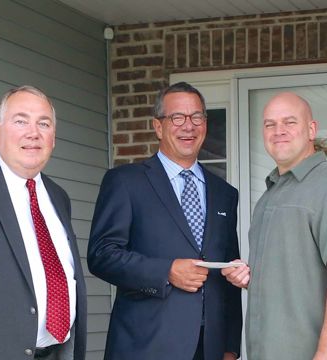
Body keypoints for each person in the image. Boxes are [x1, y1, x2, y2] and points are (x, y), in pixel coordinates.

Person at [88, 82, 241, 360]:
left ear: (205, 125)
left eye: (197, 117)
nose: (188, 126)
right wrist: (166, 271)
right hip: (146, 345)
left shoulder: (225, 193)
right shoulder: (125, 182)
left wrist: (230, 346)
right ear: (158, 127)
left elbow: (229, 267)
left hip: (210, 348)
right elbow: (101, 255)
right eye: (177, 117)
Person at [0, 86, 87, 360]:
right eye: (20, 121)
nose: (33, 133)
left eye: (43, 123)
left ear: (53, 138)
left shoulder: (58, 197)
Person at [222, 92, 327, 359]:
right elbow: (296, 275)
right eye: (270, 124)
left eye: (289, 122)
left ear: (311, 129)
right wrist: (250, 278)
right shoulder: (269, 196)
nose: (279, 131)